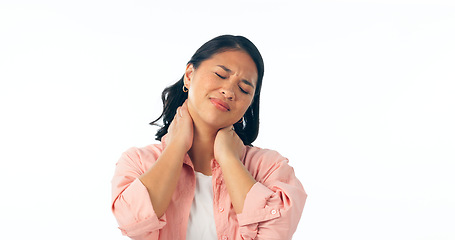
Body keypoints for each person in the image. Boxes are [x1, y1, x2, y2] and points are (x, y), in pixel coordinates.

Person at [111, 35, 307, 240]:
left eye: (244, 88)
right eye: (221, 75)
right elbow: (133, 223)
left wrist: (229, 159)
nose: (229, 91)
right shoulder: (138, 162)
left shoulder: (270, 167)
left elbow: (274, 234)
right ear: (189, 75)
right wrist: (176, 146)